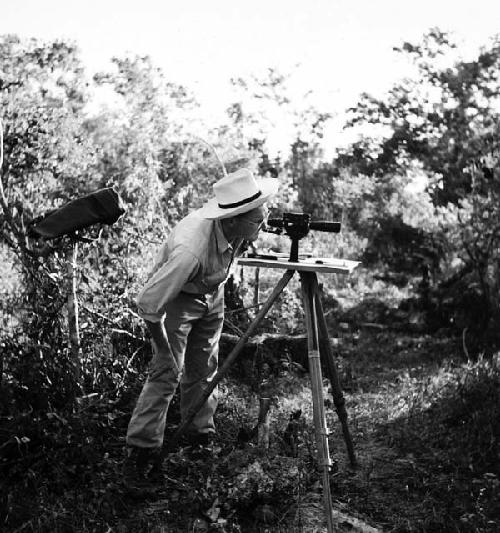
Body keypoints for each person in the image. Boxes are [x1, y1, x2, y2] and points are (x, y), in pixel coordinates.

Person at [124, 167, 278, 488]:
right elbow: (148, 305)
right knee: (166, 373)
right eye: (257, 220)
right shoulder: (190, 250)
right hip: (179, 298)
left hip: (211, 291)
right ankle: (140, 455)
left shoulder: (237, 229)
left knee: (204, 364)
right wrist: (165, 350)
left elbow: (235, 245)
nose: (263, 225)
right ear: (231, 220)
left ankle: (198, 436)